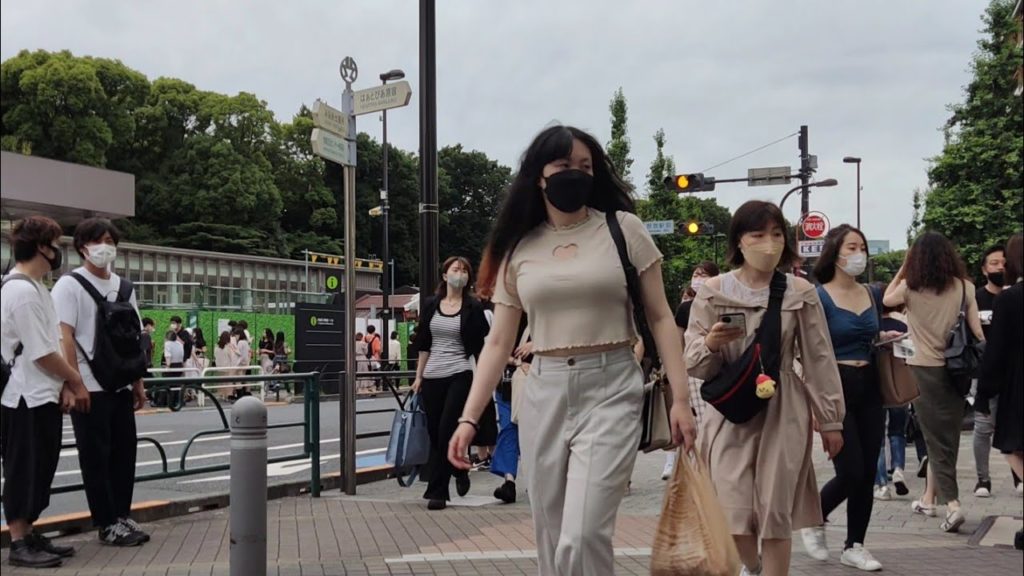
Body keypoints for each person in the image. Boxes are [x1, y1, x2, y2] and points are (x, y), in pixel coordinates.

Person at [447, 125, 697, 575]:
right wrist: (470, 418)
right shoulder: (519, 247)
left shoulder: (624, 230)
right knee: (552, 531)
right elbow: (499, 341)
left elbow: (661, 317)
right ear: (539, 176)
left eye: (586, 166)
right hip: (543, 390)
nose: (576, 175)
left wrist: (682, 399)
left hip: (613, 386)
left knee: (583, 533)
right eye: (564, 166)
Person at [685, 200, 845, 576]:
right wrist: (711, 343)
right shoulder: (712, 291)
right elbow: (694, 361)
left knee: (775, 510)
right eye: (758, 235)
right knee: (730, 506)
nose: (769, 243)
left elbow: (819, 357)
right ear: (739, 241)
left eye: (776, 234)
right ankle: (752, 566)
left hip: (783, 404)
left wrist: (830, 418)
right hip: (729, 410)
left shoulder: (800, 292)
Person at [801, 224, 900, 571]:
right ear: (835, 252)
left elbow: (871, 334)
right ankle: (814, 515)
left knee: (868, 469)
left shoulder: (871, 293)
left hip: (870, 383)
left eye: (862, 247)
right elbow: (809, 352)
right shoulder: (818, 296)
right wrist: (816, 404)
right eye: (851, 247)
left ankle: (855, 544)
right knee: (851, 469)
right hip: (835, 386)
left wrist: (883, 336)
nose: (858, 253)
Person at [51, 218, 149, 547]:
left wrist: (137, 382)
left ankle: (122, 515)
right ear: (82, 247)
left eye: (110, 240)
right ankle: (106, 523)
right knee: (95, 457)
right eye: (98, 240)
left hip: (120, 384)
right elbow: (63, 335)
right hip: (88, 386)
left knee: (124, 453)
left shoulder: (124, 287)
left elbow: (133, 337)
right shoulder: (69, 285)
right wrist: (72, 382)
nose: (105, 246)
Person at [883, 231, 984, 533]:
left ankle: (953, 505)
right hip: (958, 372)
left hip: (923, 370)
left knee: (936, 440)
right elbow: (978, 332)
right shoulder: (966, 288)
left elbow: (886, 299)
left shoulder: (910, 289)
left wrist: (902, 269)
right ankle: (928, 500)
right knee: (946, 437)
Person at [1, 216, 87, 568]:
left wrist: (64, 384)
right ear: (41, 247)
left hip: (42, 394)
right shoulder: (19, 291)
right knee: (23, 468)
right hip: (23, 396)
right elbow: (42, 353)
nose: (58, 251)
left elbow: (52, 343)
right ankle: (19, 541)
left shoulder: (38, 287)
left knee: (40, 467)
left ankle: (31, 532)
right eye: (55, 243)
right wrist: (75, 381)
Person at [411, 256, 490, 510]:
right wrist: (418, 377)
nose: (460, 273)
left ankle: (437, 491)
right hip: (433, 375)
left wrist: (484, 378)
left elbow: (481, 345)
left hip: (460, 372)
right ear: (445, 276)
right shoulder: (431, 304)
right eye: (455, 269)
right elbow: (424, 343)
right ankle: (459, 468)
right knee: (435, 433)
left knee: (446, 430)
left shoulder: (473, 307)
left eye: (464, 270)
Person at [977, 233, 1023, 549]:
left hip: (1018, 386)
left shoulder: (1009, 299)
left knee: (1011, 447)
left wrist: (983, 392)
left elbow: (996, 352)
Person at [664, 261, 720, 480]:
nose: (698, 278)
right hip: (692, 371)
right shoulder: (685, 308)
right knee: (697, 420)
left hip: (716, 368)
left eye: (704, 274)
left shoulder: (720, 303)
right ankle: (697, 466)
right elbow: (677, 342)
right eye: (696, 274)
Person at [972, 245, 1020, 497]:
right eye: (993, 263)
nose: (999, 267)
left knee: (1011, 428)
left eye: (1003, 262)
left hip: (1010, 373)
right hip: (985, 368)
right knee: (983, 426)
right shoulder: (977, 297)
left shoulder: (1012, 297)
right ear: (983, 269)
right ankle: (983, 479)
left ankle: (1018, 477)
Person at [873, 301, 916, 501]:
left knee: (877, 436)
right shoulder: (902, 326)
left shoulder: (872, 327)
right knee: (898, 430)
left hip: (878, 384)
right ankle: (898, 468)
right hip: (899, 385)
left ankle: (881, 484)